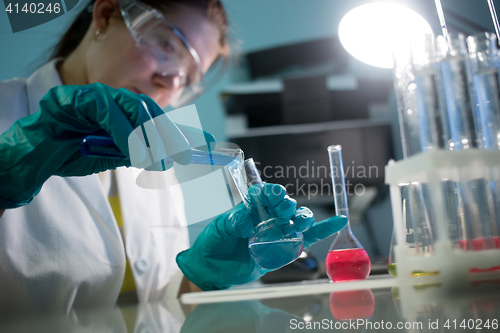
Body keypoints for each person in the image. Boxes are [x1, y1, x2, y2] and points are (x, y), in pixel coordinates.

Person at [0, 0, 347, 316]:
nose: (168, 80)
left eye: (188, 76)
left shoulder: (162, 170)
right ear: (105, 15)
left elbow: (157, 305)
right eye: (167, 45)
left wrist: (203, 277)